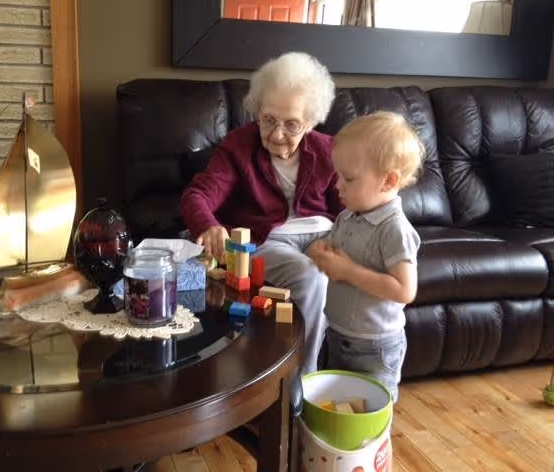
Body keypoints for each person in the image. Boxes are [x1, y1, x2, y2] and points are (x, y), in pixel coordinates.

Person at [180, 51, 341, 374]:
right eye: (268, 119)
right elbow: (198, 195)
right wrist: (209, 225)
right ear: (257, 111)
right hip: (269, 241)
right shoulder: (239, 147)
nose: (277, 133)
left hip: (324, 234)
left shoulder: (329, 150)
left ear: (310, 121)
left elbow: (348, 209)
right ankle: (301, 381)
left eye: (291, 124)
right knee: (311, 276)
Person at [308, 111, 424, 402]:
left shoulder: (394, 229)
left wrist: (348, 272)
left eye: (348, 178)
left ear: (388, 181)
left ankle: (371, 449)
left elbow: (404, 290)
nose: (337, 185)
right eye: (338, 176)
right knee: (336, 406)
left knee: (370, 414)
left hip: (375, 347)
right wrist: (321, 252)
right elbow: (334, 253)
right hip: (337, 334)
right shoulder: (348, 216)